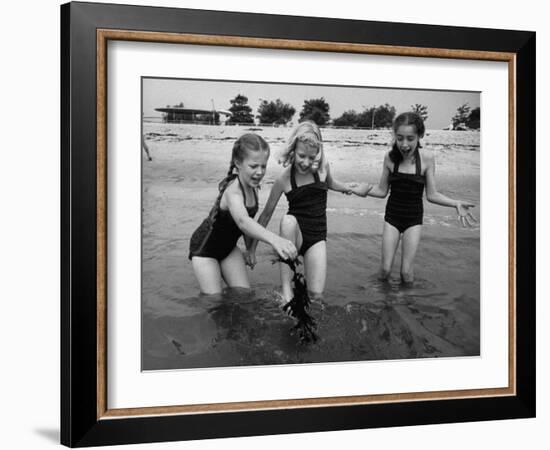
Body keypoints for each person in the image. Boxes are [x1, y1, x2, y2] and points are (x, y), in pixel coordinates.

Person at [350, 111, 477, 284]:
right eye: (400, 138)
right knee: (385, 270)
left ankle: (406, 306)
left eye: (410, 138)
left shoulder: (427, 159)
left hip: (413, 219)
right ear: (395, 136)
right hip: (392, 218)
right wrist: (363, 189)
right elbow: (381, 191)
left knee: (406, 274)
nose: (404, 144)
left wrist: (455, 203)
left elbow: (432, 195)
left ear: (420, 136)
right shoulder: (389, 158)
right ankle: (383, 304)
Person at [248, 121, 351, 302]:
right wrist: (252, 249)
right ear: (293, 150)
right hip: (294, 235)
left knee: (316, 296)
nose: (306, 162)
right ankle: (287, 291)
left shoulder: (322, 168)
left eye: (311, 158)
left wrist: (350, 188)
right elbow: (266, 215)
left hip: (316, 238)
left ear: (318, 154)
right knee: (288, 220)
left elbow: (332, 184)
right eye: (302, 156)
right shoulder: (284, 179)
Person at [189, 133, 297, 294]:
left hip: (228, 249)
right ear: (238, 163)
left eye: (263, 166)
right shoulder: (233, 192)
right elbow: (243, 222)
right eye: (254, 166)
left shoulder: (253, 188)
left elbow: (248, 226)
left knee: (244, 295)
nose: (260, 172)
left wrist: (250, 249)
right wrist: (276, 240)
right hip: (205, 251)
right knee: (215, 301)